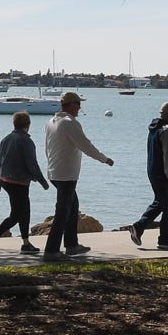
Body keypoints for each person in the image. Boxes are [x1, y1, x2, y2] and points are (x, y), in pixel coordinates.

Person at [41, 91, 114, 259]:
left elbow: (47, 148)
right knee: (63, 211)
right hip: (66, 175)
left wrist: (51, 166)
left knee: (72, 207)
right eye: (78, 104)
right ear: (71, 105)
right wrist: (104, 159)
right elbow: (85, 145)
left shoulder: (51, 122)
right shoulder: (69, 123)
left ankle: (71, 245)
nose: (80, 108)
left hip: (54, 172)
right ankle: (51, 250)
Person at [0, 110, 48, 259]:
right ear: (28, 125)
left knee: (25, 210)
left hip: (5, 180)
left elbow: (0, 162)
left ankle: (25, 243)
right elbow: (32, 164)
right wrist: (43, 181)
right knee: (17, 214)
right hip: (19, 182)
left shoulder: (5, 139)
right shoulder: (26, 141)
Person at [127, 101, 168, 249]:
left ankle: (162, 237)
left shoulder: (154, 129)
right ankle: (147, 230)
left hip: (153, 172)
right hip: (164, 175)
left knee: (164, 203)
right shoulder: (167, 131)